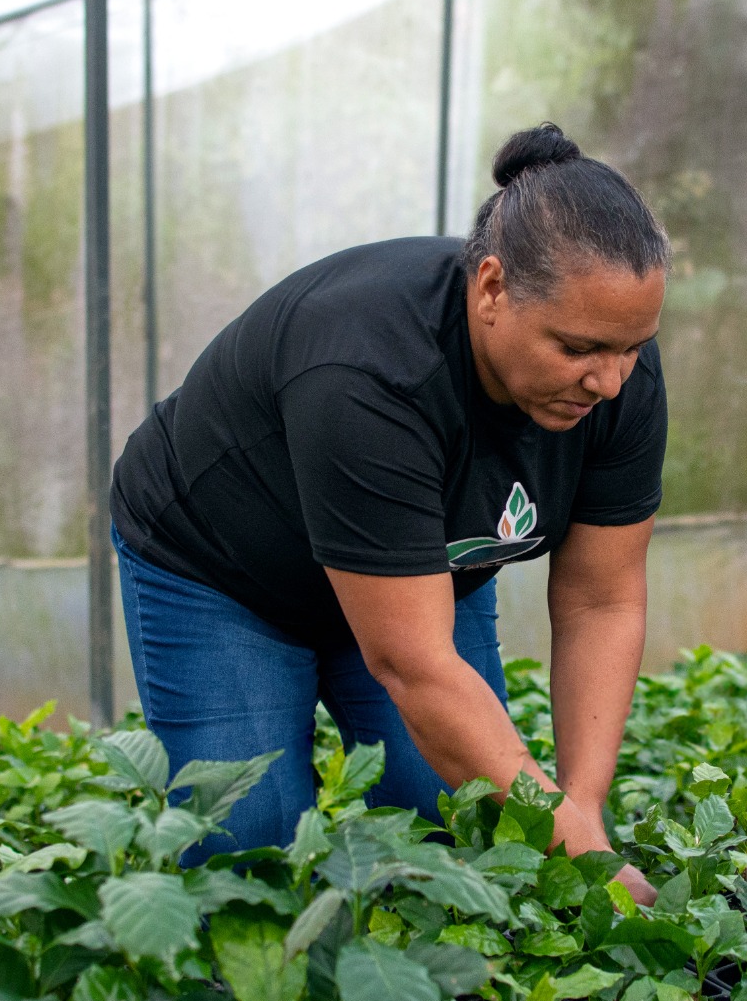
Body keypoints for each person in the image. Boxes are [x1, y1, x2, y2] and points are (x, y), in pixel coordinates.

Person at [109, 123, 666, 903]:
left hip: (414, 577)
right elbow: (415, 664)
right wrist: (568, 849)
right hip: (222, 571)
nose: (608, 382)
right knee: (250, 851)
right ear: (492, 289)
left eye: (632, 348)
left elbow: (600, 599)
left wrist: (584, 811)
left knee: (449, 818)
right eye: (577, 349)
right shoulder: (369, 370)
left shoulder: (615, 370)